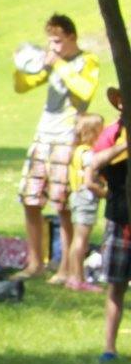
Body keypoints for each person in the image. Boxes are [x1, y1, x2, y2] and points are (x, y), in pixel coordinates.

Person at [14, 14, 101, 280]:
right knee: (30, 198)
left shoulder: (87, 61)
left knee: (63, 205)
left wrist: (60, 65)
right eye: (50, 41)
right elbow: (21, 87)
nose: (53, 47)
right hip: (43, 135)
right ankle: (34, 263)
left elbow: (85, 91)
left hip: (67, 137)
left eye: (58, 41)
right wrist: (22, 65)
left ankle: (65, 267)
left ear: (71, 37)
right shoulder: (53, 60)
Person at [93, 89, 131, 360]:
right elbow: (94, 162)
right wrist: (124, 146)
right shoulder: (113, 133)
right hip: (119, 218)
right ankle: (109, 347)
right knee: (116, 284)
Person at [61, 112, 107, 290]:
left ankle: (73, 276)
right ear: (93, 132)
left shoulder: (77, 151)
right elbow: (88, 182)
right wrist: (103, 192)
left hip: (76, 197)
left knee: (77, 239)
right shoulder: (89, 154)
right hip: (85, 199)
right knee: (81, 240)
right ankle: (78, 278)